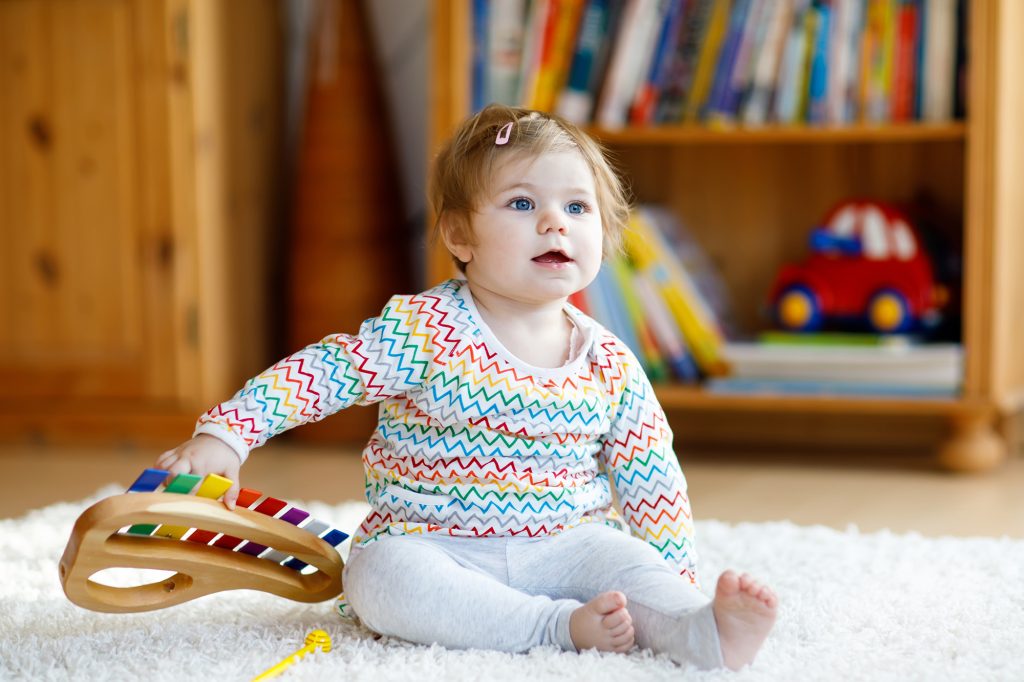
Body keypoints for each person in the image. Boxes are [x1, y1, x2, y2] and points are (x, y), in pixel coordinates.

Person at [155, 104, 778, 670]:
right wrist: (227, 433)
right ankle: (555, 628)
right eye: (522, 204)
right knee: (375, 576)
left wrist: (677, 581)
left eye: (577, 207)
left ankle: (702, 632)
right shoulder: (426, 330)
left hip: (568, 548)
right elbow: (325, 373)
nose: (554, 224)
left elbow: (653, 482)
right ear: (459, 236)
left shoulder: (609, 361)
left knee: (633, 567)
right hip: (435, 546)